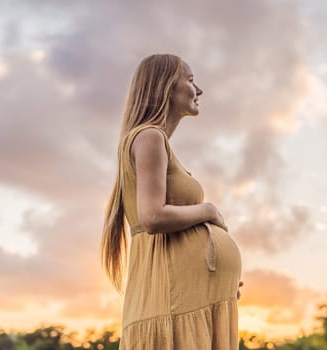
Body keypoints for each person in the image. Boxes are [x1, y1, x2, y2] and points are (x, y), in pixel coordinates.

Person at [101, 53, 244, 350]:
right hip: (170, 306)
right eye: (191, 80)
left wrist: (215, 282)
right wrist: (209, 210)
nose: (199, 90)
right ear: (167, 87)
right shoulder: (149, 137)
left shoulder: (153, 141)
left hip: (186, 302)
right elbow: (152, 217)